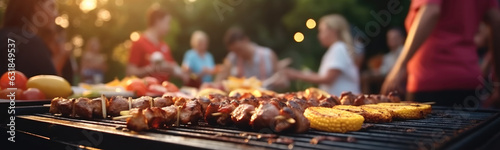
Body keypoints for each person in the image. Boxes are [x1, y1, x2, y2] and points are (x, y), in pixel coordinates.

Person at [381, 0, 500, 106]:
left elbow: (431, 11)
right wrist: (498, 81)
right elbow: (496, 21)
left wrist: (400, 66)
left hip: (431, 81)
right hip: (469, 81)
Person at [285, 14, 361, 96]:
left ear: (333, 31)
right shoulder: (336, 48)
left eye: (321, 30)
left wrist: (296, 74)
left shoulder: (338, 48)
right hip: (341, 101)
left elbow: (328, 78)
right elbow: (326, 76)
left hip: (346, 102)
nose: (319, 35)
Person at [127, 6, 187, 83]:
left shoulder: (164, 46)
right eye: (167, 23)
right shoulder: (139, 43)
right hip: (144, 93)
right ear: (158, 21)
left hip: (164, 92)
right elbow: (130, 73)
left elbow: (175, 69)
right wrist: (150, 70)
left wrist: (184, 73)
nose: (169, 28)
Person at [0, 0, 59, 78]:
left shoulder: (4, 37)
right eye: (52, 7)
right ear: (37, 7)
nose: (56, 14)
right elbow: (52, 86)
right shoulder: (31, 44)